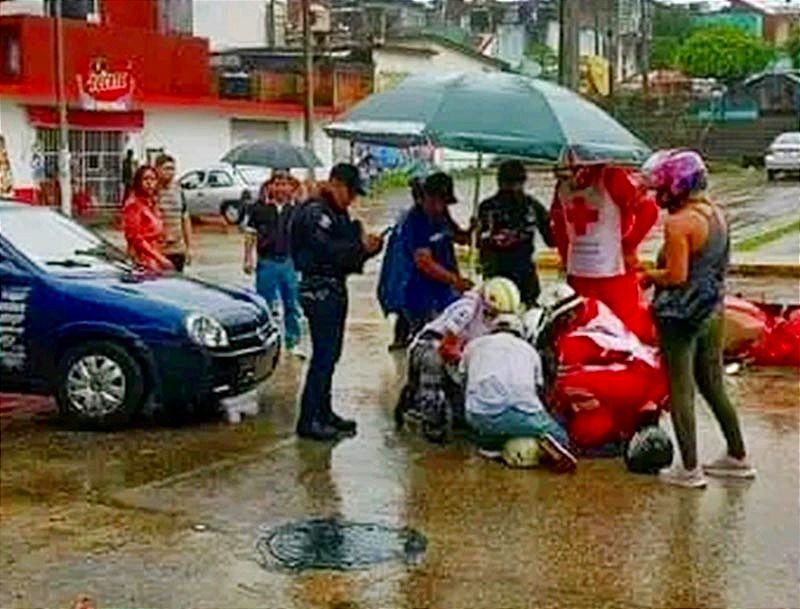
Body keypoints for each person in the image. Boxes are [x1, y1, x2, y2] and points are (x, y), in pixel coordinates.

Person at [641, 149, 754, 488]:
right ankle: (738, 456)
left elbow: (676, 276)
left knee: (681, 389)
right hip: (712, 310)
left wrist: (647, 274)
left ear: (677, 186)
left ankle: (689, 469)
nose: (658, 194)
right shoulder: (718, 215)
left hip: (680, 314)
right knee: (713, 384)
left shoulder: (679, 223)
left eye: (662, 186)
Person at [290, 163, 383, 440]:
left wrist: (367, 249)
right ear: (335, 184)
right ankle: (309, 419)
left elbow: (347, 255)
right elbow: (326, 252)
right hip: (319, 287)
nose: (352, 199)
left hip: (333, 286)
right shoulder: (315, 212)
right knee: (323, 355)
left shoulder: (336, 212)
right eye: (350, 192)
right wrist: (359, 247)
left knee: (331, 355)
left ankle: (323, 411)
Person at [550, 151, 658, 342]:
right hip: (592, 274)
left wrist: (626, 246)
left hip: (604, 272)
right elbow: (558, 226)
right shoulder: (608, 176)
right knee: (593, 328)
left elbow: (648, 210)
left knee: (614, 328)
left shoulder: (610, 177)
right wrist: (628, 246)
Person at [461, 313, 574, 466]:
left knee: (485, 436)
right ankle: (541, 438)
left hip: (480, 418)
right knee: (560, 436)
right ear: (519, 332)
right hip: (521, 413)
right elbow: (538, 389)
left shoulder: (473, 345)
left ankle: (491, 447)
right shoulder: (529, 350)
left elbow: (463, 382)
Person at [244, 170, 305, 358]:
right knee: (265, 305)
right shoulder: (258, 208)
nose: (280, 188)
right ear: (270, 186)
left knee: (292, 304)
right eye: (277, 183)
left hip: (289, 263)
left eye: (285, 184)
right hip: (266, 262)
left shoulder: (297, 209)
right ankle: (267, 343)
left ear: (290, 187)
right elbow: (250, 234)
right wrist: (247, 258)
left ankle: (293, 342)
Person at [403, 172, 473, 334]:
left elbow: (460, 238)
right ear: (425, 196)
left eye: (443, 202)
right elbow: (423, 262)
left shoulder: (443, 215)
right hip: (423, 296)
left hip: (445, 293)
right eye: (434, 201)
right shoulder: (416, 220)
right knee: (430, 342)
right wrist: (455, 280)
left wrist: (472, 230)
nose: (438, 207)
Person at [478, 160, 553, 305]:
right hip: (500, 272)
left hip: (520, 273)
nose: (512, 189)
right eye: (510, 184)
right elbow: (480, 242)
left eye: (514, 184)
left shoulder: (532, 206)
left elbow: (551, 240)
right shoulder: (489, 207)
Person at [122, 165, 173, 272]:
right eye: (145, 179)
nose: (149, 183)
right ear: (138, 182)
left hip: (156, 253)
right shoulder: (133, 204)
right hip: (142, 258)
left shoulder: (151, 203)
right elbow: (135, 238)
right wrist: (159, 258)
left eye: (152, 179)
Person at [155, 154, 193, 272]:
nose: (170, 172)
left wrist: (189, 247)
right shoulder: (152, 191)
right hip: (157, 251)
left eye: (173, 169)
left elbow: (185, 219)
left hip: (177, 250)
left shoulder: (178, 190)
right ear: (157, 169)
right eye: (167, 168)